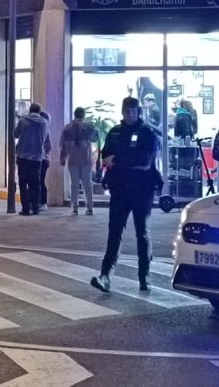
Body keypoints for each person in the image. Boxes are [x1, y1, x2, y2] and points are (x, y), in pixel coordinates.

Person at [91, 96, 161, 293]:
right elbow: (105, 157)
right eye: (126, 110)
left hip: (142, 190)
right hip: (119, 189)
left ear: (138, 112)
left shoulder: (147, 132)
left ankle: (144, 277)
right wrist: (117, 160)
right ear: (122, 112)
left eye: (133, 110)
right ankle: (105, 276)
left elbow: (145, 161)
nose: (129, 114)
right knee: (114, 233)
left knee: (143, 234)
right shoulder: (115, 132)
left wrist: (118, 159)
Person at [60, 107, 99, 215]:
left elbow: (62, 145)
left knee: (74, 184)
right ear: (83, 115)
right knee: (87, 184)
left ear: (74, 114)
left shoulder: (67, 128)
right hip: (86, 159)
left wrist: (62, 158)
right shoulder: (88, 127)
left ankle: (74, 207)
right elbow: (96, 138)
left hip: (72, 159)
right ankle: (89, 208)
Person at [13, 103, 50, 215]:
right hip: (37, 157)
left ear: (30, 110)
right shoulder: (44, 123)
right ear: (39, 111)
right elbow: (45, 138)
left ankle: (25, 209)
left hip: (23, 156)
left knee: (23, 183)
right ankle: (35, 208)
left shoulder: (23, 121)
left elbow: (15, 134)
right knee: (36, 183)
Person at [38, 111, 52, 211]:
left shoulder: (45, 131)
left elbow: (49, 147)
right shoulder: (45, 130)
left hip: (42, 159)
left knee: (40, 181)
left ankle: (42, 202)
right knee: (39, 181)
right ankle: (40, 202)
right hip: (43, 159)